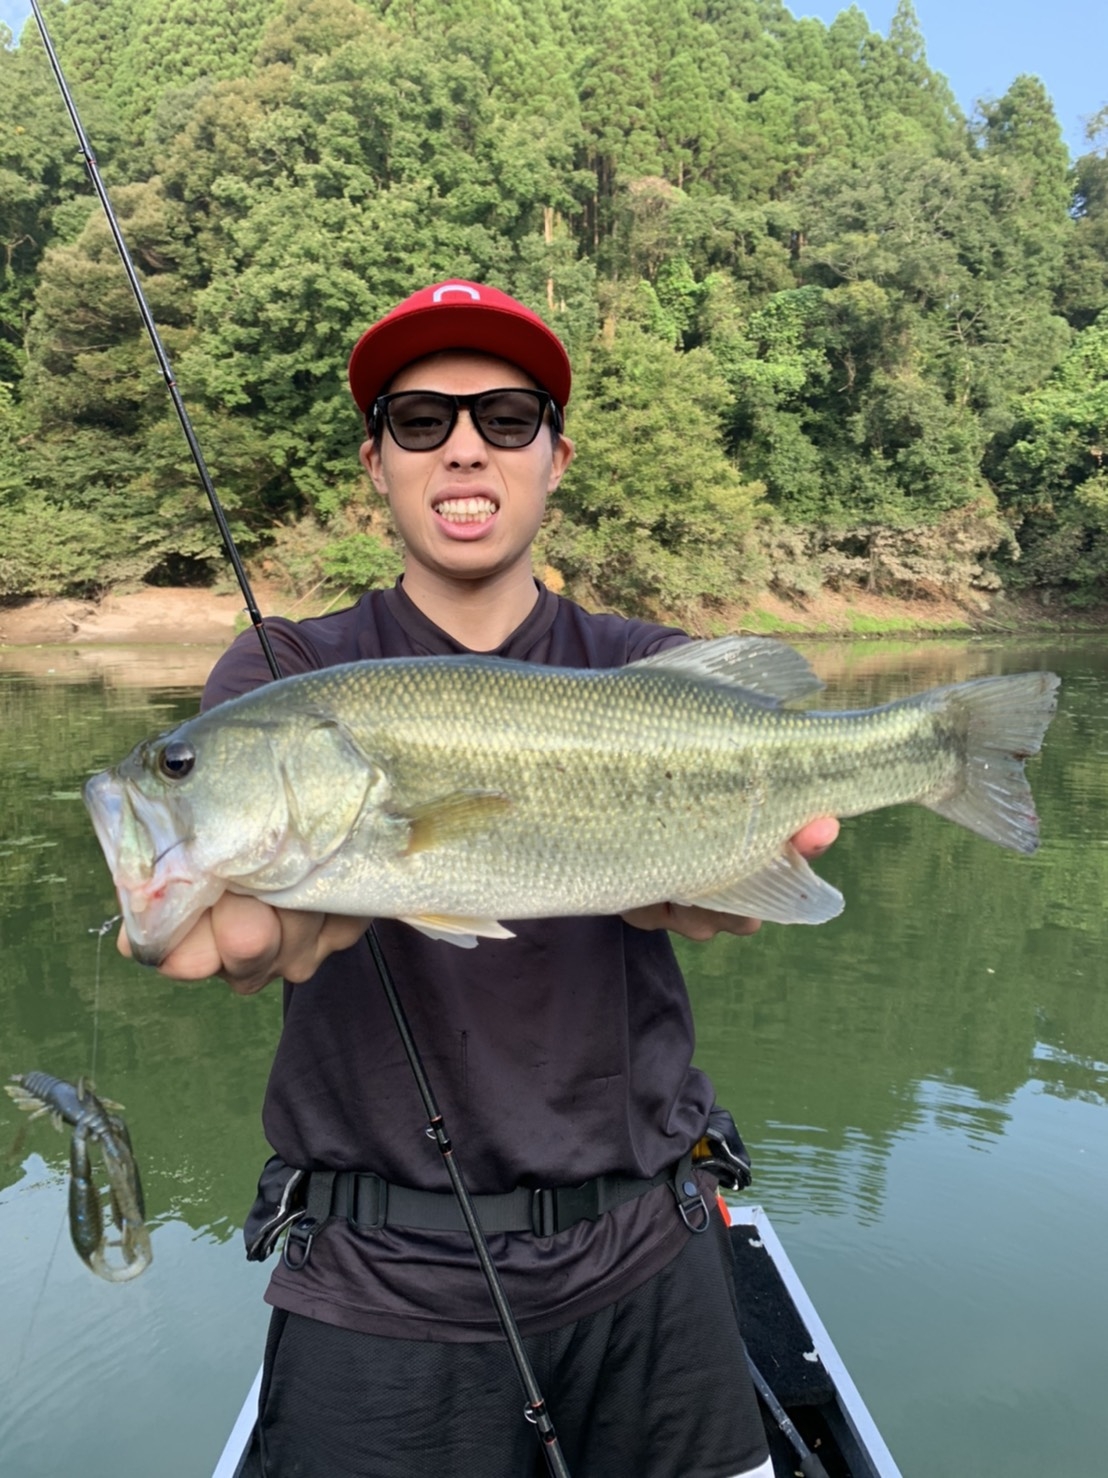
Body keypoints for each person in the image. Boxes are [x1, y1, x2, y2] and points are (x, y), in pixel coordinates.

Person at [133, 280, 838, 1478]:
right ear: (376, 462)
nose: (464, 443)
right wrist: (239, 905)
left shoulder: (642, 662)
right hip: (377, 1278)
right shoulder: (290, 670)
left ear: (555, 457)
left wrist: (741, 866)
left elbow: (764, 839)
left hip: (647, 1256)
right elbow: (251, 917)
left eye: (507, 417)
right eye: (420, 420)